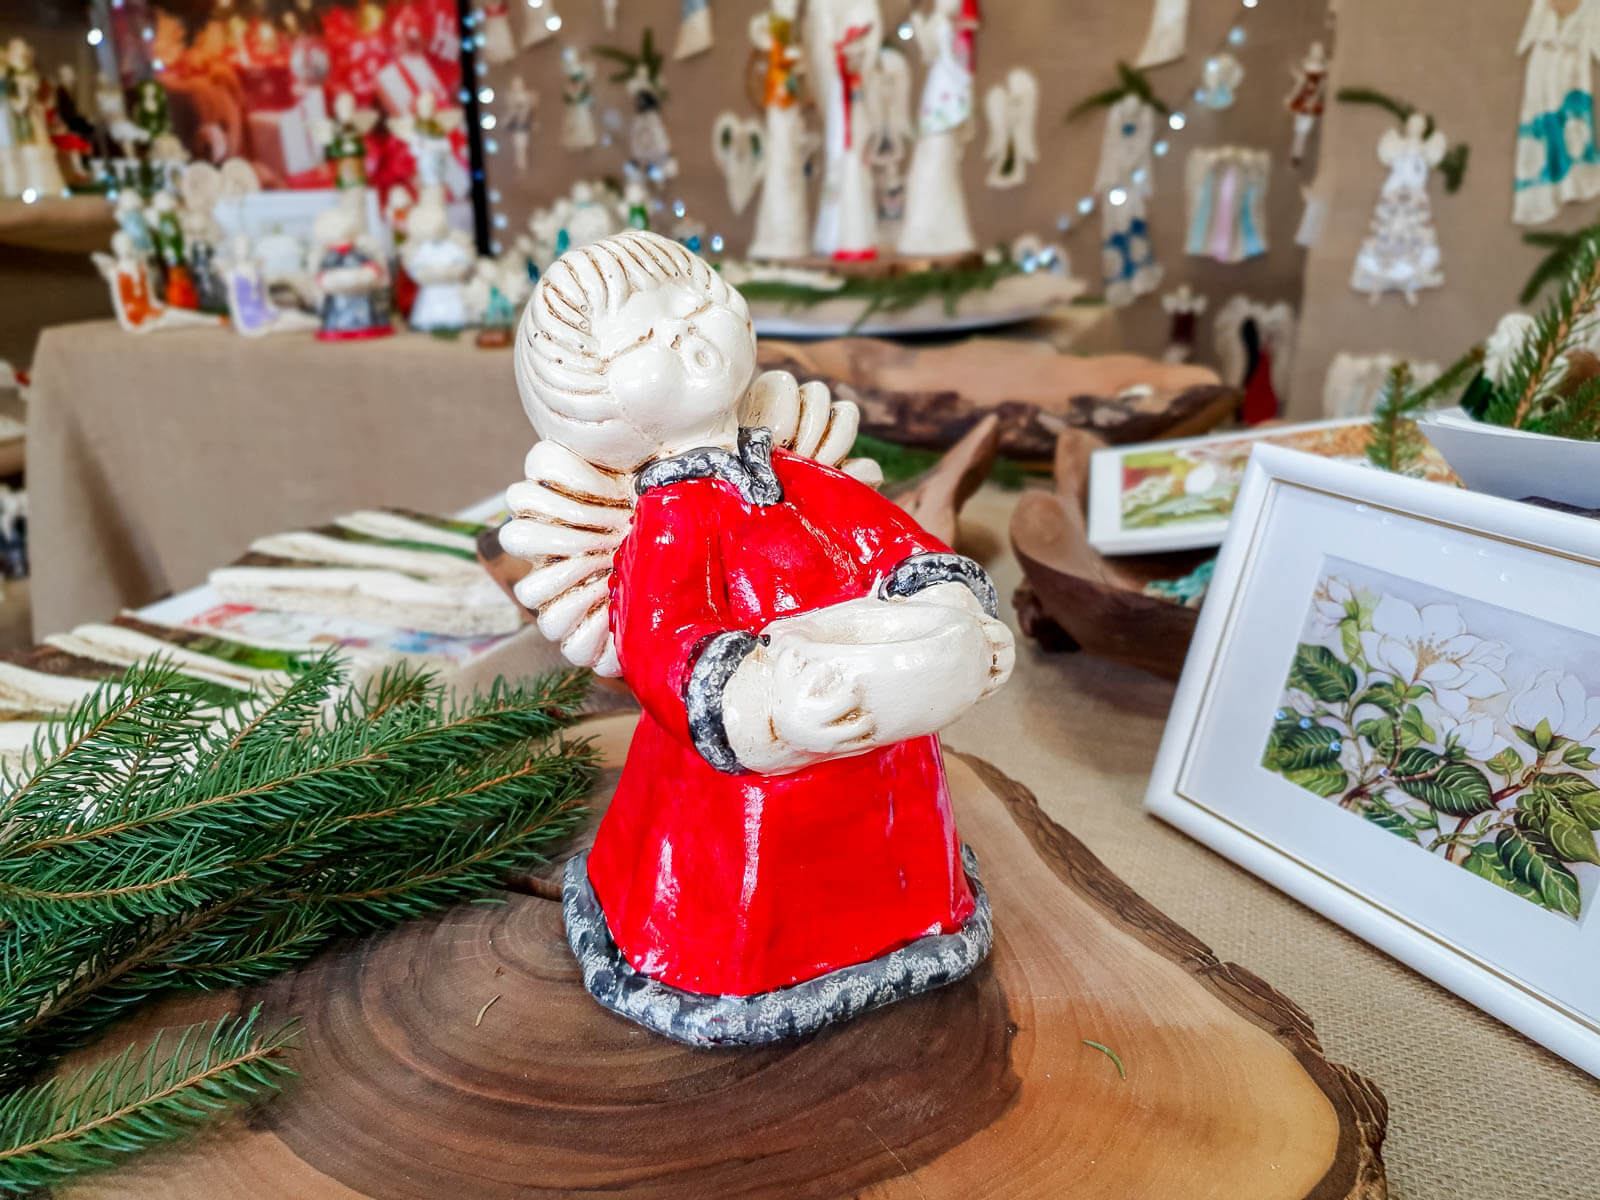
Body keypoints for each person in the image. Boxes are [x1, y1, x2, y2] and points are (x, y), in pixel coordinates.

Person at [500, 230, 1014, 1045]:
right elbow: (664, 640)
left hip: (881, 745)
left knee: (892, 840)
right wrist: (766, 710)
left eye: (695, 302)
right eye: (644, 338)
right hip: (744, 785)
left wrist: (951, 607)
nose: (686, 334)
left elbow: (891, 542)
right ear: (587, 397)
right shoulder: (669, 522)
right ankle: (738, 965)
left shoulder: (805, 479)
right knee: (755, 872)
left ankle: (911, 920)